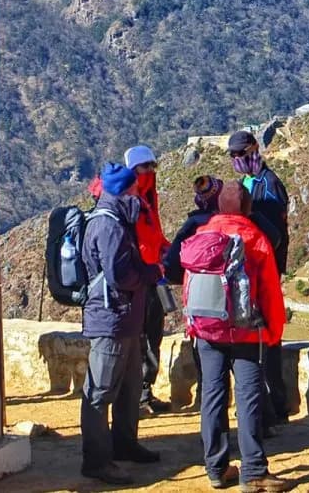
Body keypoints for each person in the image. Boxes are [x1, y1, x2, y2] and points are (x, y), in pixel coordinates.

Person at [181, 180, 287, 492]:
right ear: (248, 208)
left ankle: (216, 468)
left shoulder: (202, 235)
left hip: (206, 331)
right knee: (248, 397)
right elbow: (269, 291)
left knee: (212, 396)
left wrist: (193, 326)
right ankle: (254, 472)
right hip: (245, 332)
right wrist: (272, 332)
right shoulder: (255, 238)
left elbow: (188, 281)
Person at [80, 160, 163, 484]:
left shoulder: (116, 218)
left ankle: (125, 444)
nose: (136, 192)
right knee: (99, 392)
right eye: (132, 188)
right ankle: (97, 461)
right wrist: (150, 273)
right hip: (111, 318)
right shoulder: (109, 225)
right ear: (122, 190)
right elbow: (119, 275)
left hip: (125, 317)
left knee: (129, 387)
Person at [228, 130, 290, 430]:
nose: (237, 160)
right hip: (246, 274)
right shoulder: (246, 184)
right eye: (232, 156)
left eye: (241, 154)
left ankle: (276, 407)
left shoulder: (271, 185)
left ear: (255, 150)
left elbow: (276, 235)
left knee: (270, 339)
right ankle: (260, 406)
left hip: (266, 271)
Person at [122, 143, 174, 415]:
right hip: (138, 280)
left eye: (153, 166)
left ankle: (144, 392)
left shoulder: (148, 199)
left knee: (152, 335)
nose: (151, 171)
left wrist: (166, 248)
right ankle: (136, 396)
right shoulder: (130, 203)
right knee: (140, 337)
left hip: (153, 276)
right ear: (133, 170)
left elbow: (154, 236)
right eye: (146, 167)